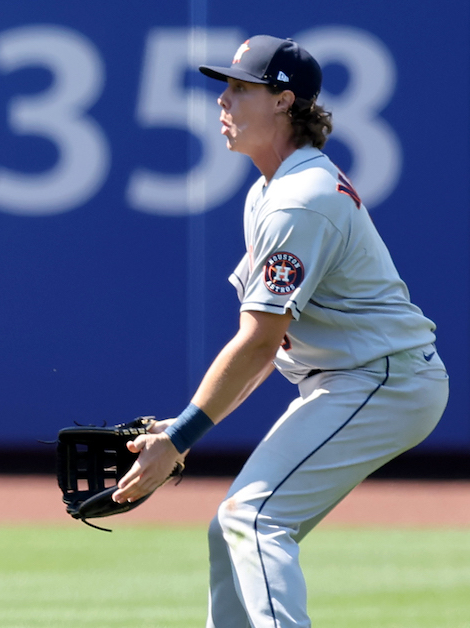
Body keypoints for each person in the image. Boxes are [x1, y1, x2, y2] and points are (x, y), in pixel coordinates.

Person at [113, 36, 448, 627]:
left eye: (241, 88)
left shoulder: (300, 200)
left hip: (382, 381)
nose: (223, 100)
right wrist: (182, 427)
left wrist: (181, 438)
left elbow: (259, 342)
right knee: (231, 527)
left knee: (256, 519)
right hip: (354, 379)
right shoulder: (269, 192)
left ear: (284, 102)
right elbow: (267, 350)